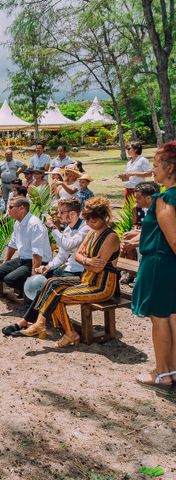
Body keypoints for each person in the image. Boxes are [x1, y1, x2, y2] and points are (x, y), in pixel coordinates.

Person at [20, 198, 120, 347]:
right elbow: (78, 256)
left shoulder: (110, 237)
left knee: (56, 295)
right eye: (87, 220)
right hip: (87, 279)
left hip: (102, 286)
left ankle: (60, 329)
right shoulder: (92, 232)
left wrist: (84, 260)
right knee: (52, 283)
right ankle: (58, 328)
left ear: (104, 217)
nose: (89, 223)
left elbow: (97, 268)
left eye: (93, 220)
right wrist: (87, 261)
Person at [2, 198, 90, 335]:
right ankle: (30, 321)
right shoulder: (68, 229)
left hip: (81, 272)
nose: (58, 216)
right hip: (67, 269)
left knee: (46, 286)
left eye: (61, 212)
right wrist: (48, 267)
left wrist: (53, 227)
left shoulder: (85, 228)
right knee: (33, 281)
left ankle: (29, 322)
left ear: (72, 214)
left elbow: (68, 245)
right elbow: (61, 255)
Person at [132, 142, 176, 392]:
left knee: (159, 319)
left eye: (157, 165)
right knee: (173, 318)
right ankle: (172, 370)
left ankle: (161, 373)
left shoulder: (164, 198)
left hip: (160, 265)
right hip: (169, 264)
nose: (153, 170)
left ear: (170, 169)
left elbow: (173, 238)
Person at [0, 197, 52, 299]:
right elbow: (12, 244)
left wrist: (34, 275)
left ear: (22, 208)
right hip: (23, 259)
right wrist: (5, 262)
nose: (8, 210)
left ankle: (34, 291)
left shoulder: (35, 224)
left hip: (38, 261)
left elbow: (37, 252)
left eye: (11, 207)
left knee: (10, 279)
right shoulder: (17, 222)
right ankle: (25, 290)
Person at [120, 182, 161, 267]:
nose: (135, 200)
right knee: (126, 239)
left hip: (159, 252)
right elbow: (146, 232)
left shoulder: (159, 213)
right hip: (149, 240)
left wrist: (134, 244)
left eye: (138, 198)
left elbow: (157, 237)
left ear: (149, 199)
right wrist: (130, 242)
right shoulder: (149, 210)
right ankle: (129, 269)